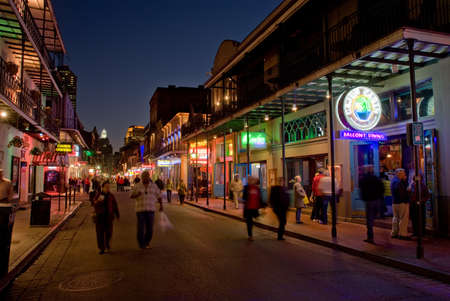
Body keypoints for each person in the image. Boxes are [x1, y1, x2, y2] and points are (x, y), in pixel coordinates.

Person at [131, 171, 163, 249]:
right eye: (144, 176)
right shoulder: (137, 186)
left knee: (150, 229)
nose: (145, 178)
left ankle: (146, 241)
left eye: (147, 176)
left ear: (149, 177)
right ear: (142, 177)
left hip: (150, 209)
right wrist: (136, 195)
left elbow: (159, 195)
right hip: (140, 210)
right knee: (140, 228)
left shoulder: (154, 186)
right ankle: (141, 244)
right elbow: (131, 196)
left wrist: (161, 205)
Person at [359, 166, 384, 244]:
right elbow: (382, 188)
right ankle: (376, 219)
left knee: (369, 219)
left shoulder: (364, 179)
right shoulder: (377, 178)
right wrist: (379, 196)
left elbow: (361, 188)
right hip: (376, 200)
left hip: (369, 200)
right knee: (373, 217)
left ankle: (370, 237)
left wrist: (364, 197)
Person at [93, 182, 120, 254]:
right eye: (106, 187)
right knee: (100, 233)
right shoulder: (98, 195)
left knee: (109, 233)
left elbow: (115, 205)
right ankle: (102, 248)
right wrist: (98, 201)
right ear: (102, 187)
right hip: (100, 217)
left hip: (109, 217)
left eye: (109, 187)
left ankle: (107, 243)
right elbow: (94, 204)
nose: (108, 189)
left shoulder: (111, 195)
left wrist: (117, 214)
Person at [390, 168, 410, 240]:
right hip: (401, 202)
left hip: (395, 202)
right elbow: (401, 193)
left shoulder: (394, 181)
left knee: (396, 218)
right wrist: (407, 192)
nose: (405, 174)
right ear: (399, 174)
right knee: (403, 219)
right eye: (403, 173)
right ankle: (402, 234)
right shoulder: (398, 182)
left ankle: (394, 233)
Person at [242, 176, 262, 241]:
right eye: (250, 180)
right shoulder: (246, 188)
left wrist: (263, 205)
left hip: (255, 208)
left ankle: (251, 232)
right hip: (248, 208)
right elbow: (244, 197)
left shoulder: (257, 188)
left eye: (252, 180)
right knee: (249, 222)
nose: (251, 181)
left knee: (253, 220)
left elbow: (259, 198)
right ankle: (250, 235)